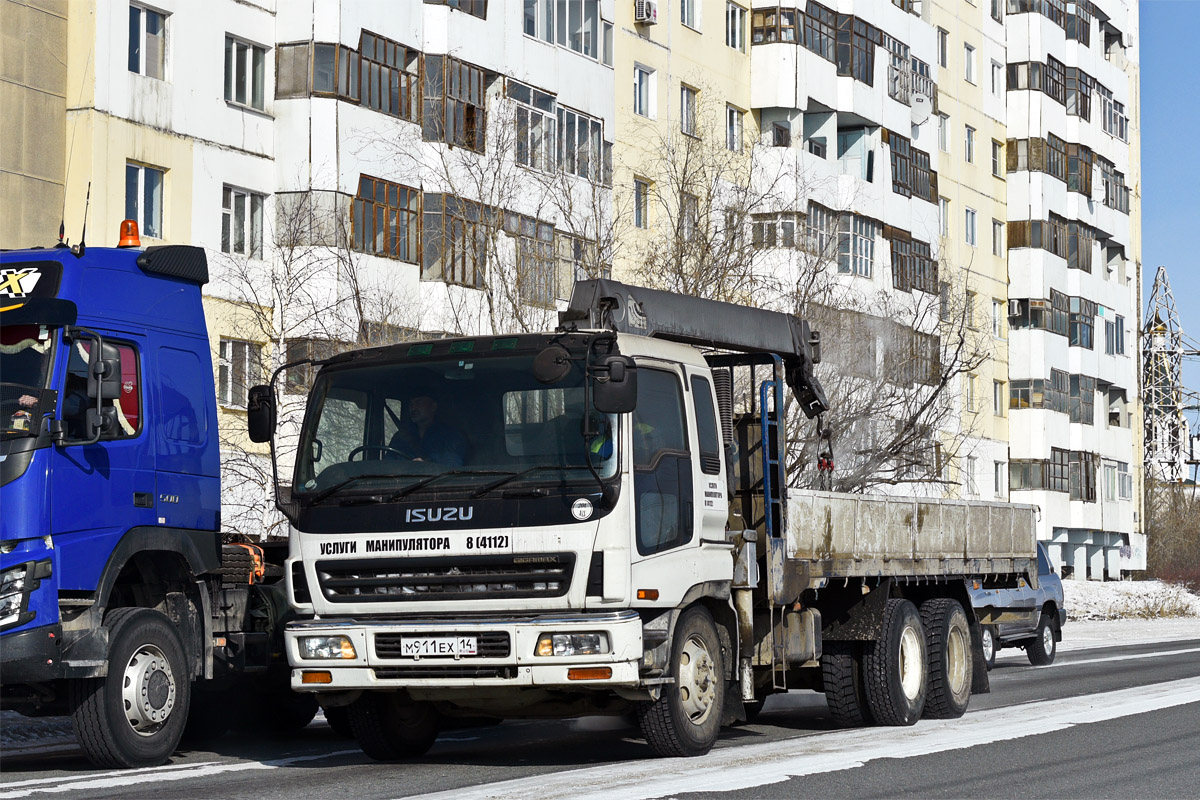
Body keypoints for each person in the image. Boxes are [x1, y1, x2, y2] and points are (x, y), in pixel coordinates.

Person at [389, 394, 467, 466]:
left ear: (433, 407)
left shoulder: (450, 436)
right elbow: (388, 463)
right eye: (411, 405)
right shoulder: (400, 437)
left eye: (418, 403)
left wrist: (427, 467)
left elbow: (452, 465)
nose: (413, 408)